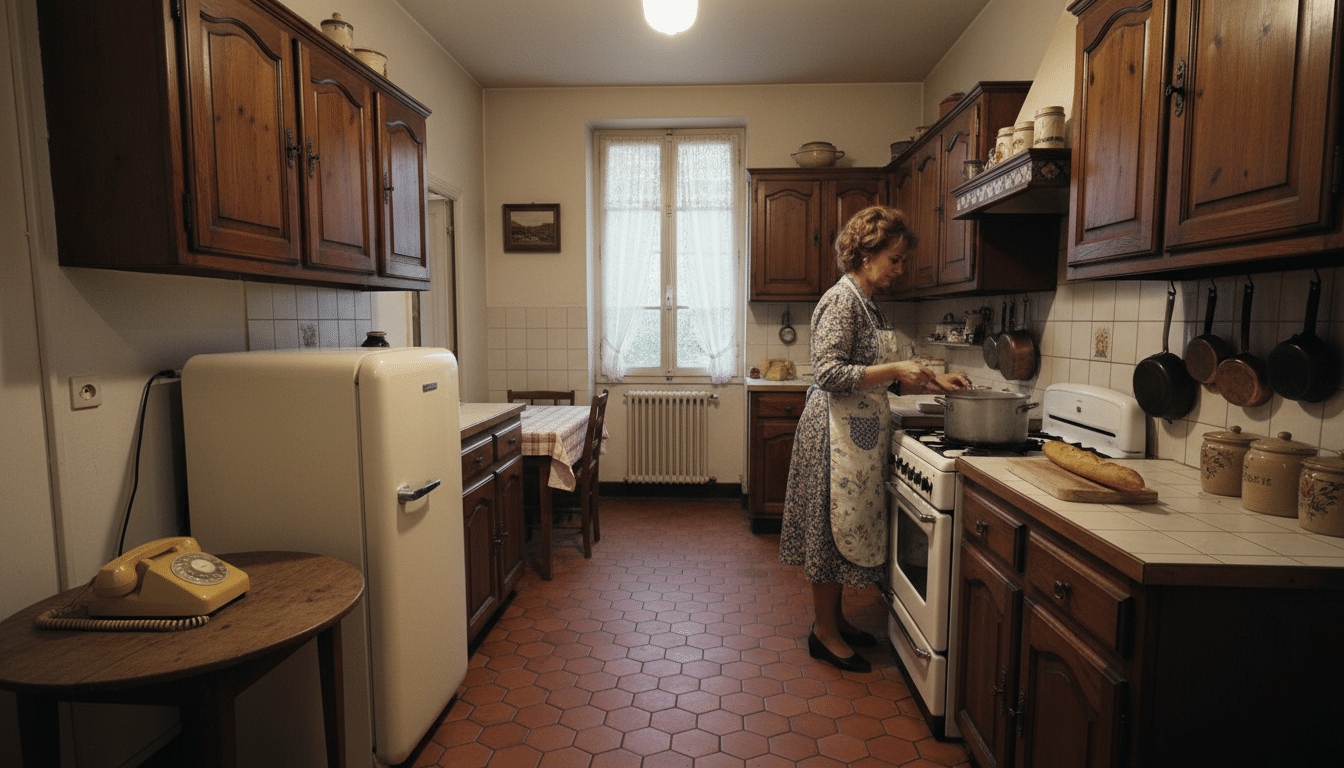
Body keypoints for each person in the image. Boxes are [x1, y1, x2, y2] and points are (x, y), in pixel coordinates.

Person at [778, 206, 972, 673]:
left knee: (844, 529)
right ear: (866, 256)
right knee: (830, 531)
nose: (901, 269)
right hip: (832, 435)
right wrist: (895, 369)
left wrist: (932, 382)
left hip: (857, 433)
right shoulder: (840, 301)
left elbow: (881, 378)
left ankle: (836, 620)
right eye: (895, 259)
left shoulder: (869, 302)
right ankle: (822, 633)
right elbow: (828, 372)